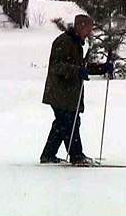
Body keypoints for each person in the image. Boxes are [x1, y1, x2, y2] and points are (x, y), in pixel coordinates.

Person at [40, 14, 114, 165]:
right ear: (80, 26)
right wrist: (77, 71)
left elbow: (83, 67)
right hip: (59, 92)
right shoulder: (63, 42)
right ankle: (77, 156)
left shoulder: (77, 44)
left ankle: (48, 155)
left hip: (69, 93)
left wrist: (102, 68)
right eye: (88, 29)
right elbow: (57, 66)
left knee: (62, 124)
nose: (90, 33)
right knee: (69, 122)